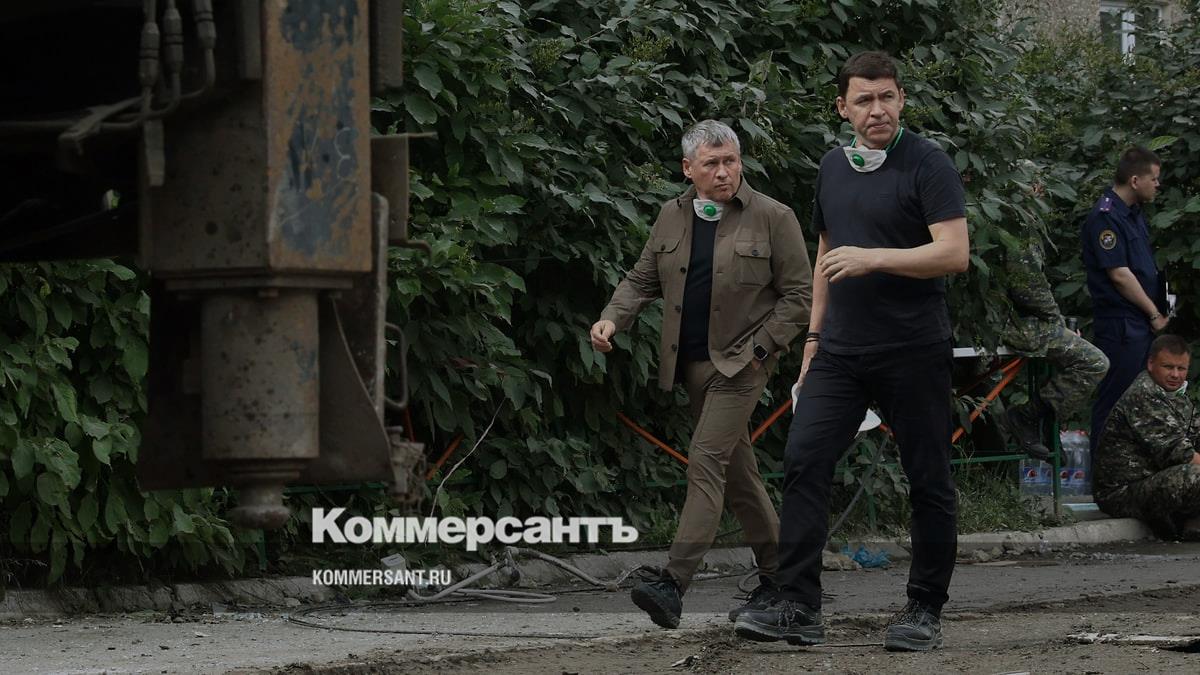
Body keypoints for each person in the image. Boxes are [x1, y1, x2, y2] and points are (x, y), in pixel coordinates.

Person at [735, 51, 968, 652]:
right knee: (804, 459)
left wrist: (875, 258)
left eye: (887, 96)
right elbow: (826, 254)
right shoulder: (833, 167)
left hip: (913, 347)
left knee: (928, 478)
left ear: (902, 99)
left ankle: (924, 608)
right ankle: (798, 605)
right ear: (843, 108)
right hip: (840, 349)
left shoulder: (928, 163)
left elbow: (953, 252)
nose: (877, 109)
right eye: (864, 100)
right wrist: (814, 337)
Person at [589, 120, 813, 629]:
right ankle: (783, 578)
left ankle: (673, 582)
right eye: (711, 163)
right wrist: (611, 318)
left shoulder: (774, 217)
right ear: (688, 168)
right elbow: (641, 280)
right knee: (738, 474)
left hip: (742, 365)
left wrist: (760, 348)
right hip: (690, 365)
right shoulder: (671, 216)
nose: (724, 172)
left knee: (706, 462)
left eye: (730, 160)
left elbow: (800, 297)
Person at [1082, 146, 1169, 451]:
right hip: (1121, 324)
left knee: (1139, 402)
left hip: (1138, 323)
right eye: (1154, 178)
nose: (1157, 184)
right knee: (1115, 400)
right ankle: (1102, 474)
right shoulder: (1105, 217)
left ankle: (1128, 472)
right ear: (1135, 180)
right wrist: (1154, 313)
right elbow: (1120, 275)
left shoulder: (1133, 214)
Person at [1001, 234, 1109, 459]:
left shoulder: (1017, 223)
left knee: (1067, 352)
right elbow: (1029, 288)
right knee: (1094, 362)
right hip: (1007, 323)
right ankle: (1029, 416)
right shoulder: (1020, 227)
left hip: (1006, 319)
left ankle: (1047, 423)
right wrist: (1057, 323)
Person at [1094, 335, 1200, 539]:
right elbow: (1181, 455)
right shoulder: (1144, 395)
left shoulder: (1176, 394)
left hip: (1154, 481)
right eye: (1168, 367)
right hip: (1122, 493)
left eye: (1181, 368)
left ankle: (1190, 524)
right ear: (1151, 364)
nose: (1175, 375)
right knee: (1194, 476)